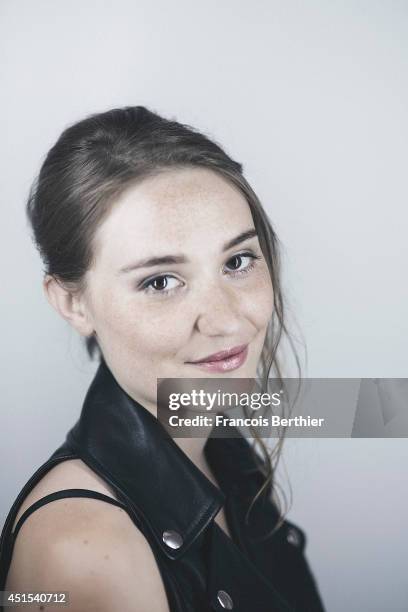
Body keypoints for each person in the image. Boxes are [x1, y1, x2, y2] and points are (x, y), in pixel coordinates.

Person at [0, 106, 326, 611]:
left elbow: (376, 410)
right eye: (159, 281)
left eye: (237, 262)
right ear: (72, 302)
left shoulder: (210, 433)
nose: (223, 320)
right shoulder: (87, 554)